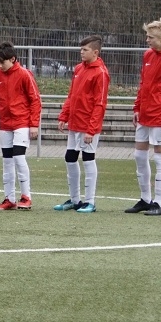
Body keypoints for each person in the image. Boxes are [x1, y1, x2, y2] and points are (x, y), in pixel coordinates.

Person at [125, 18, 161, 216]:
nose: (147, 40)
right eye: (147, 36)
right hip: (145, 114)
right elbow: (143, 83)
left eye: (150, 37)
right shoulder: (148, 55)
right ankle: (145, 198)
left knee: (160, 157)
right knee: (139, 156)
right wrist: (136, 107)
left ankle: (158, 202)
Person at [55, 36, 110, 213]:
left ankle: (90, 201)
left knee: (88, 158)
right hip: (75, 123)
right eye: (81, 49)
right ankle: (75, 199)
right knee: (70, 157)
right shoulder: (79, 69)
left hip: (88, 125)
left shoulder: (100, 73)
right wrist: (64, 116)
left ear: (95, 52)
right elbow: (72, 95)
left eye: (85, 49)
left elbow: (100, 104)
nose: (81, 52)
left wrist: (91, 129)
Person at [0, 42, 41, 211]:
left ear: (13, 59)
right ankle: (9, 199)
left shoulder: (24, 74)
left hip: (21, 123)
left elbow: (35, 100)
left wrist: (34, 124)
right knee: (7, 162)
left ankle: (26, 197)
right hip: (5, 125)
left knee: (18, 158)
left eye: (2, 62)